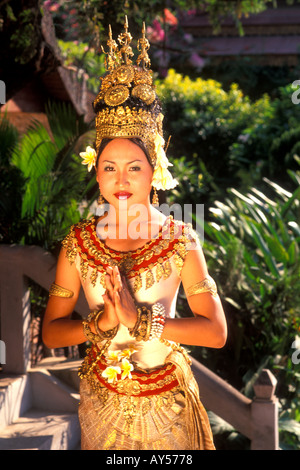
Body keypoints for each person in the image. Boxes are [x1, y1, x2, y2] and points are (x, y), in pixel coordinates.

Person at [42, 18, 227, 451]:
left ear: (154, 173)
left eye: (134, 168)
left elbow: (215, 333)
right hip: (102, 402)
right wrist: (103, 323)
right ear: (97, 173)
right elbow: (52, 333)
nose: (120, 179)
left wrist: (140, 321)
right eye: (109, 167)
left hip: (169, 407)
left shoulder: (181, 240)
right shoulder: (79, 243)